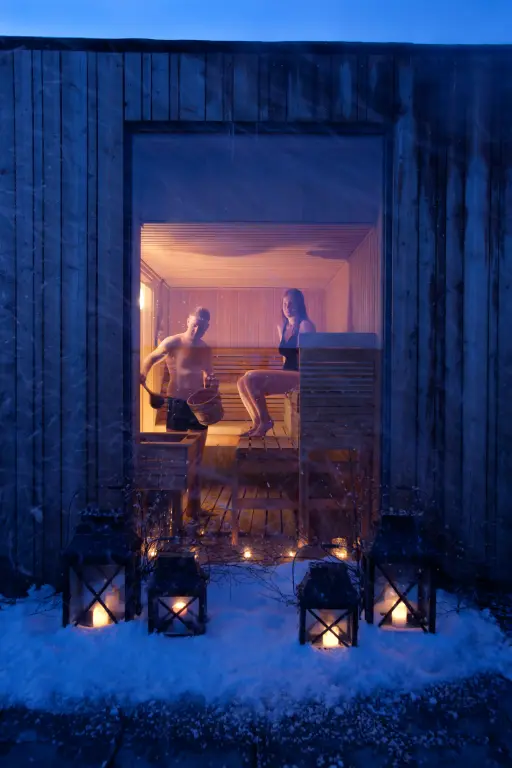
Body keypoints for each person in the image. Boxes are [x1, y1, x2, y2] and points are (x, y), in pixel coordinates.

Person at [237, 289, 316, 437]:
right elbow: (286, 358)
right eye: (285, 303)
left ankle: (265, 421)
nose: (287, 307)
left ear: (300, 305)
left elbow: (308, 358)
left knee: (250, 377)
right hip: (289, 374)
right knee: (241, 382)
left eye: (291, 303)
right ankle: (258, 423)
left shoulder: (305, 325)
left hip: (302, 376)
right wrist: (277, 376)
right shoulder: (284, 327)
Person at [140, 307, 216, 452]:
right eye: (194, 324)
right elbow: (151, 358)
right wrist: (143, 373)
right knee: (174, 446)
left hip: (198, 403)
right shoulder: (173, 342)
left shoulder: (205, 348)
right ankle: (176, 474)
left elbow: (208, 372)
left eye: (201, 326)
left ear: (207, 327)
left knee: (199, 446)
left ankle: (196, 474)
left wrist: (211, 384)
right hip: (177, 401)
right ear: (188, 321)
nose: (197, 329)